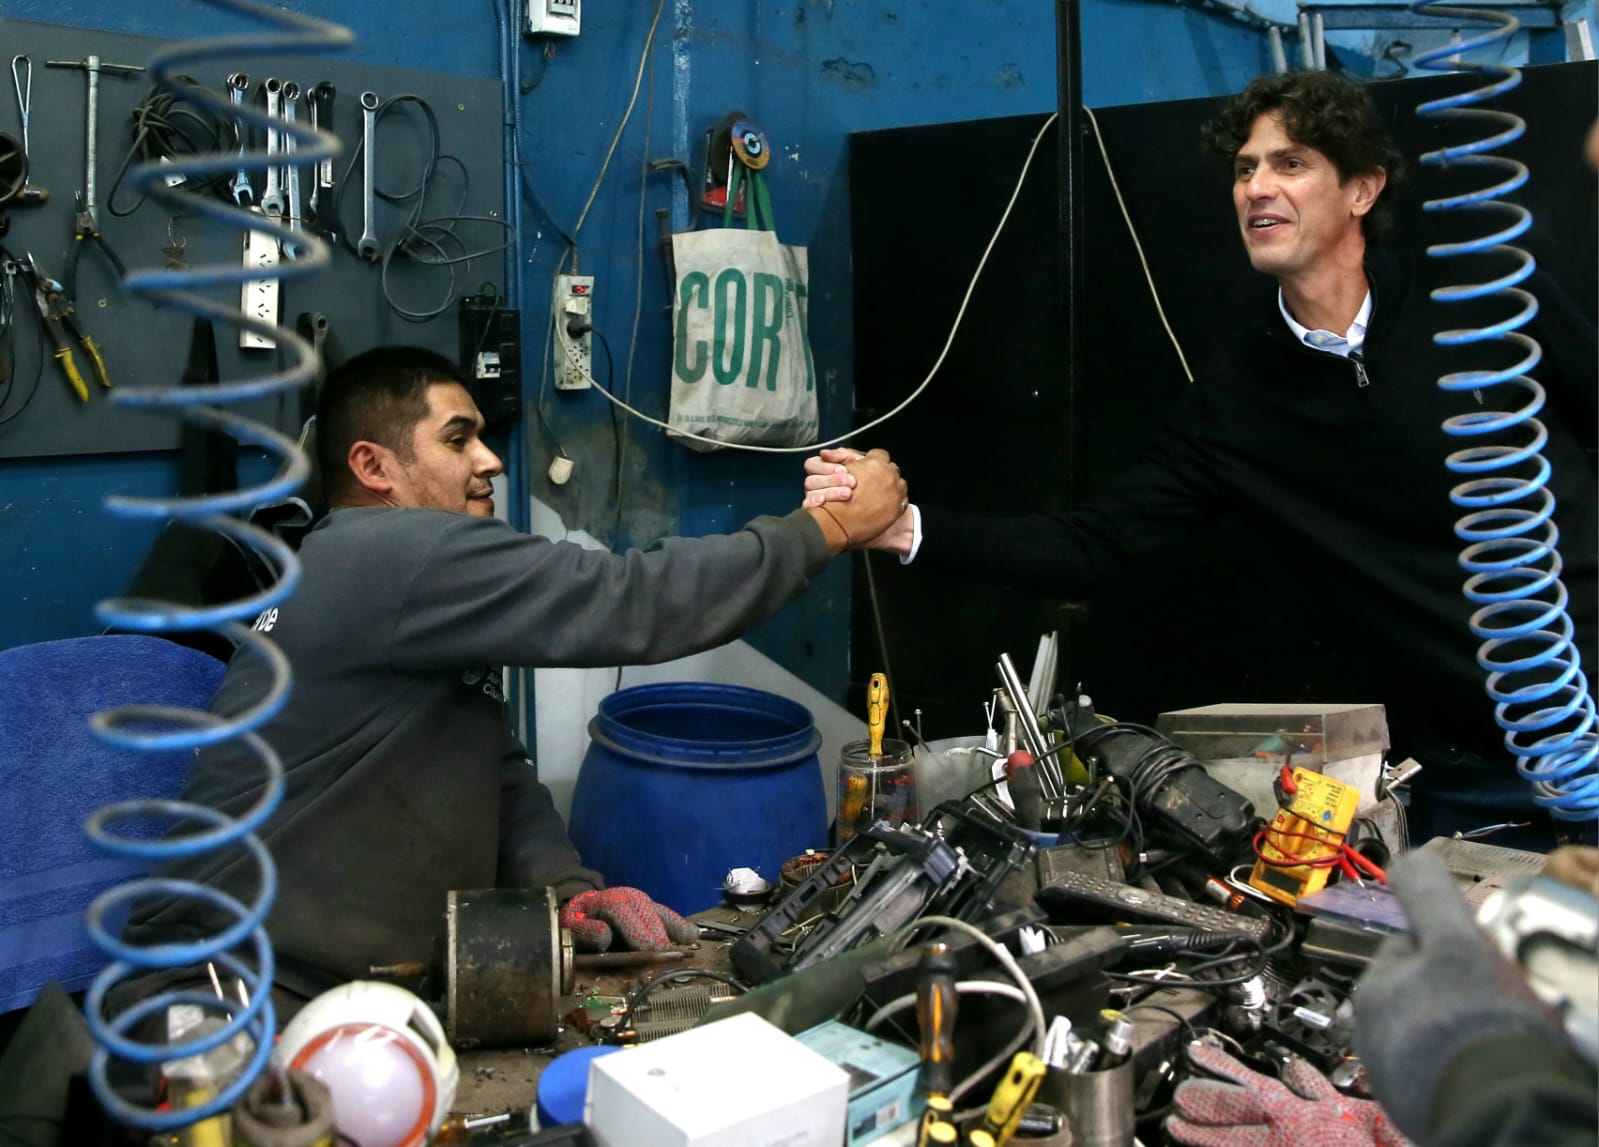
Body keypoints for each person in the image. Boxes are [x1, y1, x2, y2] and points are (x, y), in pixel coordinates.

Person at [806, 70, 1597, 848]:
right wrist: (901, 526)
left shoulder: (1484, 295)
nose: (1257, 187)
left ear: (1361, 189)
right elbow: (1092, 544)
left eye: (1289, 164)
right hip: (1464, 765)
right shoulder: (1239, 397)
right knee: (1503, 972)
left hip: (1587, 710)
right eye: (1244, 168)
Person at [117, 346, 907, 1007]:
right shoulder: (390, 553)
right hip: (227, 999)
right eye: (458, 439)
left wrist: (562, 885)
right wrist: (829, 527)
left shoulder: (377, 578)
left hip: (328, 991)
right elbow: (628, 597)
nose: (490, 460)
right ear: (374, 465)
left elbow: (485, 754)